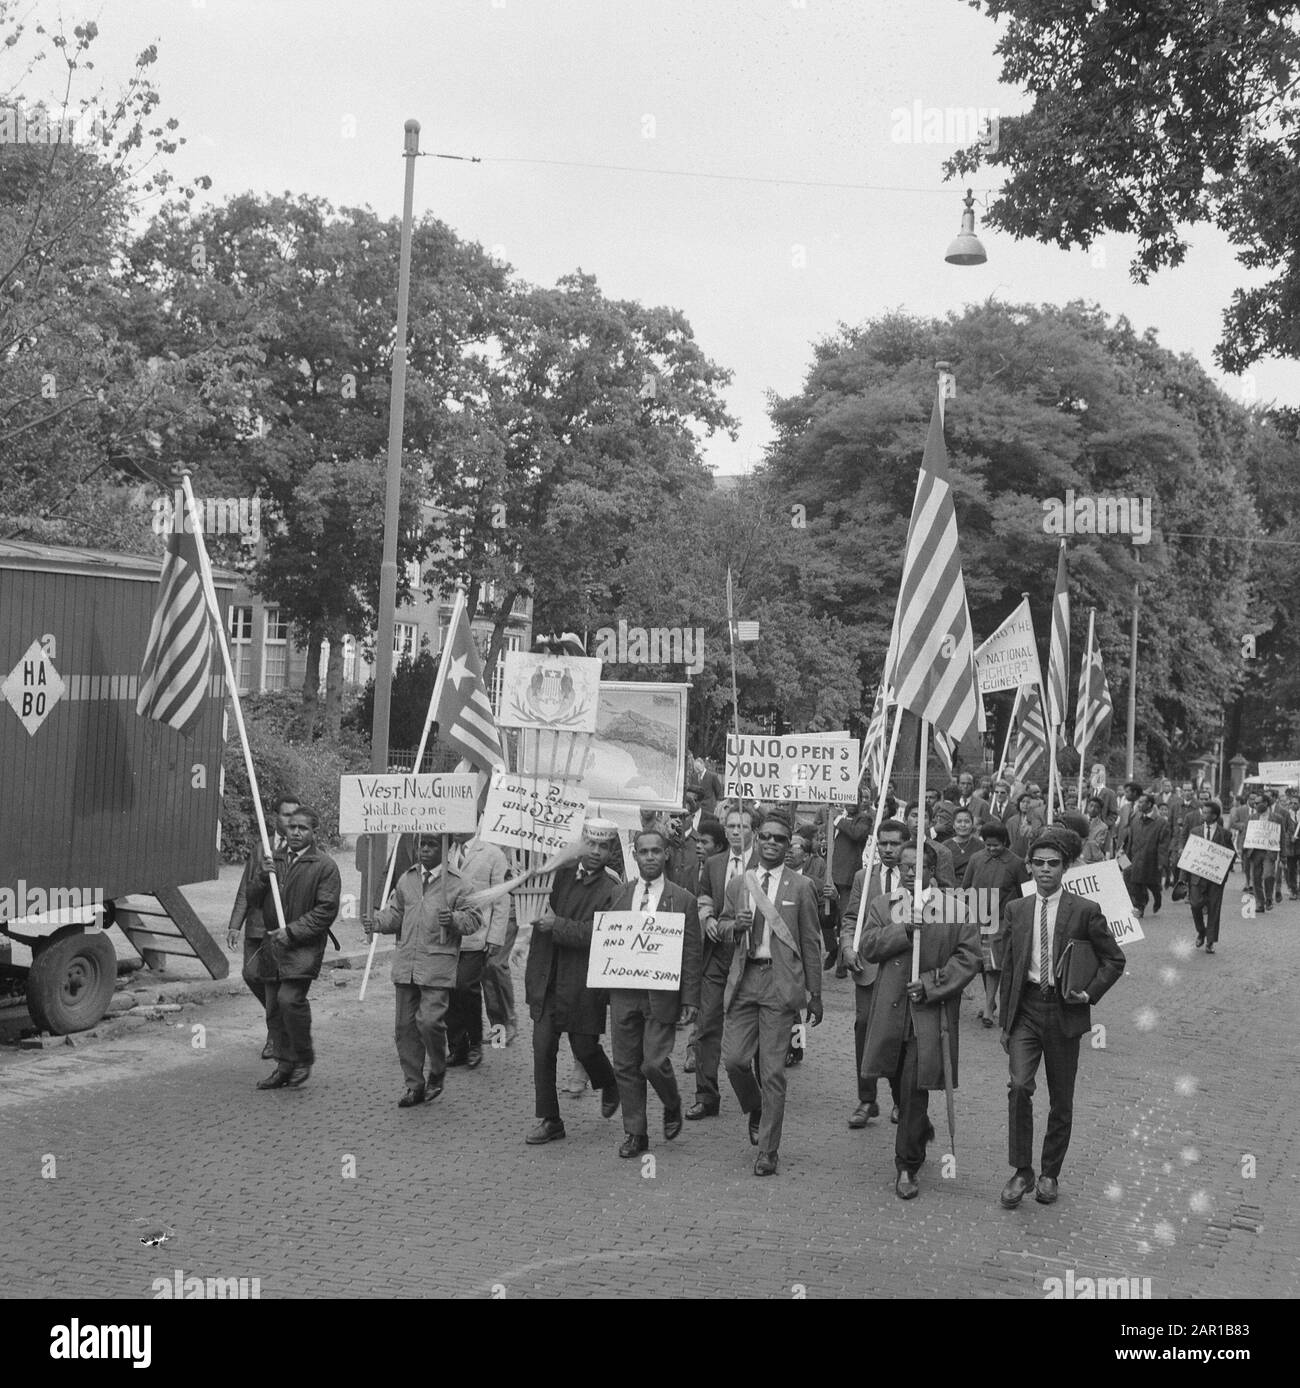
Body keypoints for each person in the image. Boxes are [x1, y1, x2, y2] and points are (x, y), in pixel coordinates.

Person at [996, 826, 1126, 1208]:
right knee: (1019, 1086)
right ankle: (1022, 1170)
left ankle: (1050, 1173)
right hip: (1027, 1011)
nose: (1045, 871)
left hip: (1064, 1011)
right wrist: (1006, 1021)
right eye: (1038, 864)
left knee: (1061, 1099)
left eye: (1053, 864)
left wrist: (1091, 992)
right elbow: (1009, 968)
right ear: (1030, 866)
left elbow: (1114, 959)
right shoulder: (1017, 910)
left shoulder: (1084, 911)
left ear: (1065, 868)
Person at [859, 842, 981, 1200]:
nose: (910, 872)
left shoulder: (955, 910)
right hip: (890, 1013)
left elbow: (969, 958)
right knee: (896, 1083)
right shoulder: (884, 905)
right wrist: (903, 931)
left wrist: (931, 984)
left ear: (930, 868)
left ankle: (906, 1165)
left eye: (917, 866)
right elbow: (867, 946)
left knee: (915, 1088)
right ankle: (920, 1127)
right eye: (905, 866)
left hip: (928, 1015)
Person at [717, 808, 823, 1176]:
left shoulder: (801, 886)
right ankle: (755, 1107)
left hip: (780, 984)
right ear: (756, 838)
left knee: (773, 1070)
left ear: (789, 843)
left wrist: (816, 994)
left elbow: (810, 943)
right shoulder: (740, 884)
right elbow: (722, 925)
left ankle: (768, 1150)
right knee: (732, 1060)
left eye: (781, 838)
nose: (773, 843)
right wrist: (734, 925)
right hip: (744, 980)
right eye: (767, 837)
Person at [518, 820, 625, 1143]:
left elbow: (603, 934)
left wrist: (557, 925)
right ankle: (551, 1119)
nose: (595, 851)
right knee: (543, 1048)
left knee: (584, 1046)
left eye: (603, 846)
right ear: (580, 844)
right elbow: (529, 904)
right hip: (547, 975)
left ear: (611, 851)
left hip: (583, 982)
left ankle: (609, 1083)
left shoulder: (613, 888)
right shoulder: (556, 875)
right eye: (590, 843)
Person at [363, 834, 481, 1106]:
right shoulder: (407, 879)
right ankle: (414, 1085)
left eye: (432, 845)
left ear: (446, 848)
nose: (425, 850)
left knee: (429, 1023)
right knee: (404, 1028)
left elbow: (474, 920)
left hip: (437, 965)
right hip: (406, 965)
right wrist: (377, 922)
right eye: (422, 844)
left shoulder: (459, 884)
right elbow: (396, 914)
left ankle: (437, 1069)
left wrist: (453, 919)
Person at [604, 827, 702, 1157]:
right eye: (644, 851)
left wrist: (690, 998)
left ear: (666, 854)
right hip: (624, 992)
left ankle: (671, 1101)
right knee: (625, 1065)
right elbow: (608, 941)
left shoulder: (683, 899)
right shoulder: (619, 894)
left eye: (656, 851)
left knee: (653, 1063)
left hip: (662, 993)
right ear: (634, 855)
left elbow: (691, 952)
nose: (650, 857)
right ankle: (635, 1132)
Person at [247, 806, 341, 1090]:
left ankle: (303, 1057)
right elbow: (252, 898)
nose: (296, 832)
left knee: (290, 999)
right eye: (292, 827)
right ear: (284, 830)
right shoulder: (272, 860)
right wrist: (262, 877)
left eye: (303, 828)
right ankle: (284, 1065)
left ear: (314, 833)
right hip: (273, 943)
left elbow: (326, 910)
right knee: (274, 1007)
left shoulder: (324, 866)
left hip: (303, 945)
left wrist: (293, 932)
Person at [689, 805, 758, 1119]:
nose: (734, 832)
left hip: (752, 957)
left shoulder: (763, 863)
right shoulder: (714, 864)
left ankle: (757, 1098)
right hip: (718, 955)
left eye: (741, 826)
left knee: (751, 1029)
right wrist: (708, 919)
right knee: (706, 1026)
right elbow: (702, 896)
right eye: (730, 826)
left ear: (752, 831)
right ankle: (706, 1095)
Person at [838, 819, 908, 1128]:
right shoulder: (863, 878)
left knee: (899, 1035)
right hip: (868, 967)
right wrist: (847, 947)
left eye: (895, 843)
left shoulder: (915, 879)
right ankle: (867, 1099)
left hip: (902, 969)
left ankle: (901, 1100)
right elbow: (851, 917)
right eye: (884, 843)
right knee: (864, 1028)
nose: (889, 849)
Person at [227, 793, 299, 1059]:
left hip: (279, 928)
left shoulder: (298, 850)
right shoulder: (262, 848)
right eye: (286, 814)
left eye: (295, 814)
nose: (291, 820)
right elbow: (246, 889)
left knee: (271, 983)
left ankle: (274, 1036)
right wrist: (235, 924)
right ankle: (280, 1019)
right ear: (274, 817)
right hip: (256, 926)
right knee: (250, 975)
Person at [444, 831, 511, 1068]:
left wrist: (495, 936)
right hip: (447, 935)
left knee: (466, 987)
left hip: (476, 936)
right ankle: (456, 1045)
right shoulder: (444, 850)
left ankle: (474, 1043)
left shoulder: (493, 854)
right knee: (448, 990)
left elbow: (501, 899)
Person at [962, 822, 1029, 1028]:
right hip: (978, 919)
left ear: (1005, 842)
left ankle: (989, 1007)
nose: (991, 849)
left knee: (994, 964)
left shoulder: (1015, 863)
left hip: (1002, 921)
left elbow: (1025, 892)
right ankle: (991, 1002)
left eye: (996, 845)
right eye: (988, 845)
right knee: (983, 964)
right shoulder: (976, 859)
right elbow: (966, 888)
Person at [1185, 799, 1234, 952]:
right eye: (1203, 812)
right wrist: (1183, 877)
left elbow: (1231, 854)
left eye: (1206, 813)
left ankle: (1210, 942)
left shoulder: (1225, 834)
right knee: (1195, 905)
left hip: (1215, 879)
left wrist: (1223, 872)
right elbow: (1188, 854)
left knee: (1214, 908)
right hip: (1197, 877)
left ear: (1214, 816)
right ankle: (1201, 931)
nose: (1203, 815)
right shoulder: (1195, 831)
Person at [1121, 794, 1169, 916]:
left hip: (1151, 860)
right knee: (1135, 882)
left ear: (1150, 805)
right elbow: (1129, 841)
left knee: (1152, 884)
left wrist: (1161, 863)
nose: (1139, 804)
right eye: (1139, 802)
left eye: (1142, 802)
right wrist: (1124, 860)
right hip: (1136, 858)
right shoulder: (1135, 820)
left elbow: (1163, 845)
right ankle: (1140, 907)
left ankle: (1157, 898)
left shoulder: (1161, 822)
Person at [903, 803, 956, 886]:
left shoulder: (942, 852)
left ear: (931, 823)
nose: (918, 820)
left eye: (924, 817)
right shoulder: (897, 848)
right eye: (914, 815)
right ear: (905, 820)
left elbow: (947, 889)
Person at [947, 807, 981, 881]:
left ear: (972, 825)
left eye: (967, 821)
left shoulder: (981, 846)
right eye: (959, 821)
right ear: (953, 825)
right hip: (951, 889)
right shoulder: (945, 847)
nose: (963, 825)